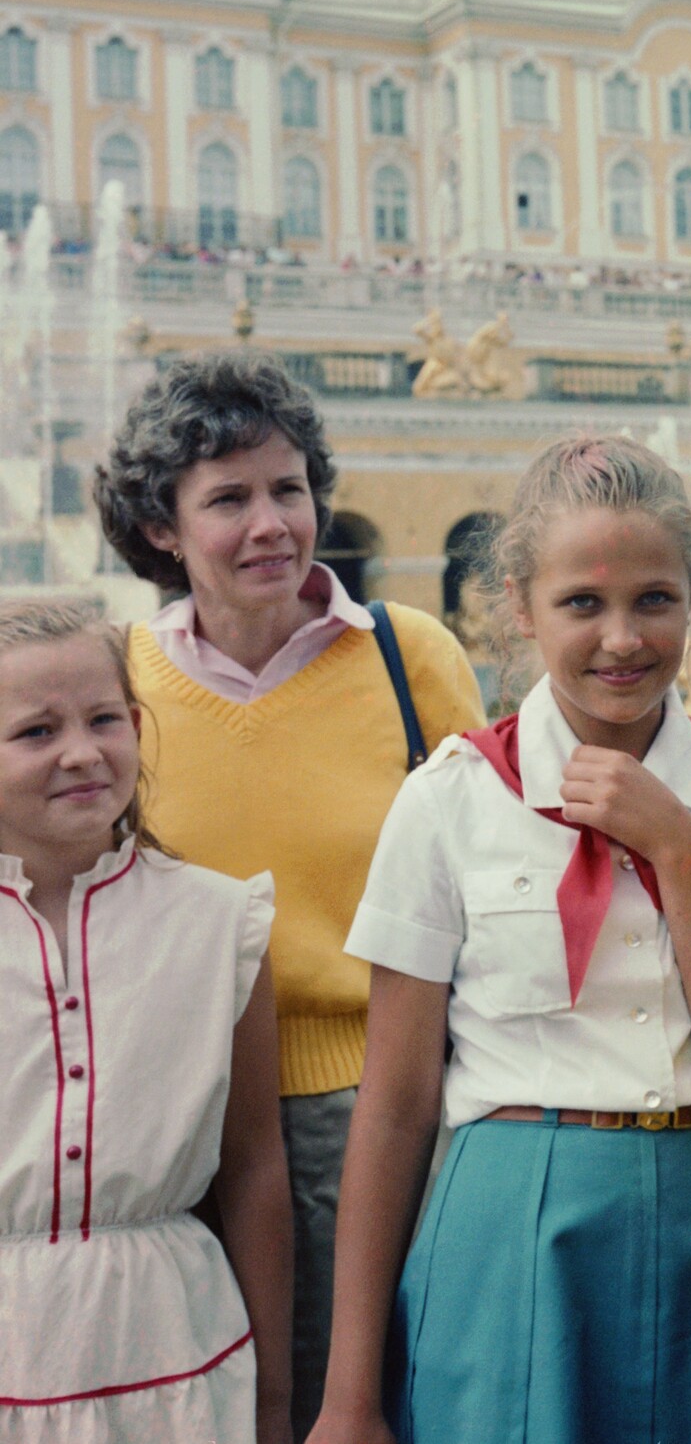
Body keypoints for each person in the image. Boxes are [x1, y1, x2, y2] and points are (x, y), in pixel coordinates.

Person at [310, 434, 691, 1444]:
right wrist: (349, 1398)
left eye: (655, 599)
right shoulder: (448, 802)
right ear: (520, 609)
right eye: (583, 603)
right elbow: (394, 1109)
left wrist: (682, 857)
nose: (622, 638)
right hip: (513, 1235)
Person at [92, 353, 484, 1437]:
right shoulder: (119, 683)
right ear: (162, 528)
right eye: (228, 499)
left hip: (385, 1108)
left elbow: (493, 877)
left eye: (288, 489)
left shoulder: (412, 659)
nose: (271, 523)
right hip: (177, 1123)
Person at [0, 598, 293, 1442]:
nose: (82, 753)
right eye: (35, 732)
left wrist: (274, 1398)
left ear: (136, 723)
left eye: (103, 720)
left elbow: (253, 1169)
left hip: (177, 1363)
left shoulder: (221, 924)